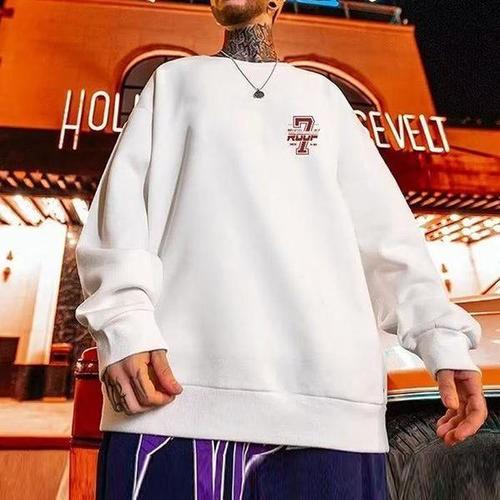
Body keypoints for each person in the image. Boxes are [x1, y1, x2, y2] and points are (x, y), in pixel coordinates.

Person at [74, 0, 488, 497]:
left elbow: (387, 238)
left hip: (330, 408)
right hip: (174, 402)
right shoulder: (173, 82)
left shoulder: (324, 97)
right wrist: (124, 326)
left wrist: (442, 341)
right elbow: (120, 213)